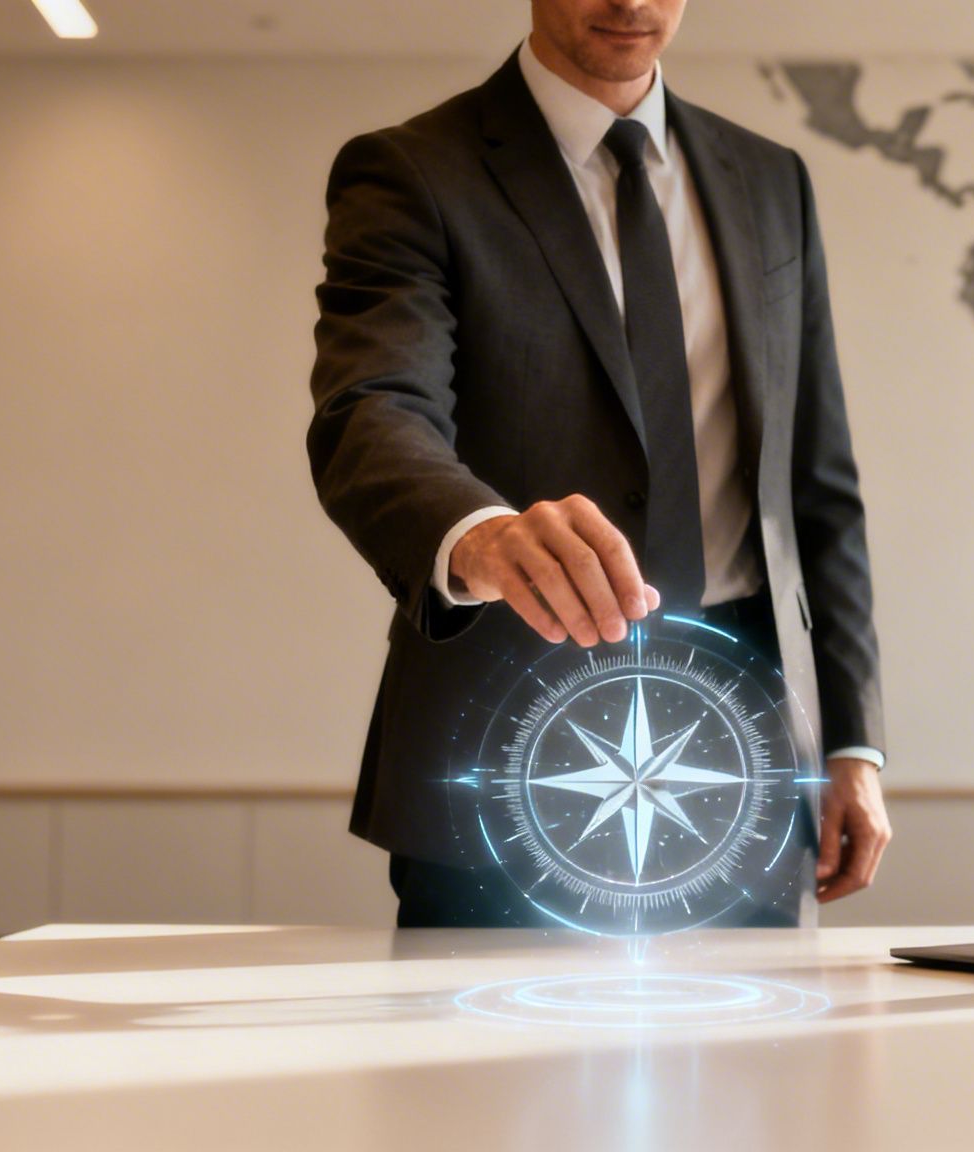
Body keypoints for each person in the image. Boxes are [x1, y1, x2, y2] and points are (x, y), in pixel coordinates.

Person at [308, 0, 890, 927]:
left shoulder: (772, 180)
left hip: (747, 755)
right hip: (505, 753)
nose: (630, 0)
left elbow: (817, 484)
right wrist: (486, 537)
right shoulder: (413, 170)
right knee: (477, 1075)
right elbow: (371, 411)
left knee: (770, 1070)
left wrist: (854, 742)